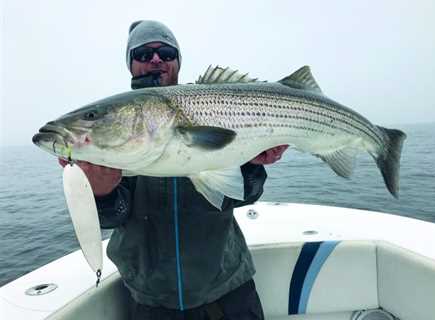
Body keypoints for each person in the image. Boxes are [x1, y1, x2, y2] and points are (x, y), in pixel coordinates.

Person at [60, 20, 288, 319]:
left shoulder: (216, 107)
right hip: (152, 299)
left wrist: (253, 167)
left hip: (228, 288)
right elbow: (114, 217)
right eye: (143, 54)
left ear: (178, 61)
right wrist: (101, 193)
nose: (156, 60)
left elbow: (242, 196)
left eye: (166, 53)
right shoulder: (114, 132)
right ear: (131, 64)